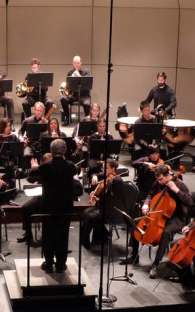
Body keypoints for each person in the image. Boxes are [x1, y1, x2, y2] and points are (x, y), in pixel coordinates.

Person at [137, 164, 193, 277]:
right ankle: (134, 254)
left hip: (177, 218)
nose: (159, 181)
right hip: (159, 214)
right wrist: (146, 204)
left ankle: (156, 263)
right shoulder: (158, 183)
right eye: (157, 179)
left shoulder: (180, 184)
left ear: (168, 175)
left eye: (161, 179)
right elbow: (150, 194)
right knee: (137, 224)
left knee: (166, 232)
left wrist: (176, 190)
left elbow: (190, 201)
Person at [30, 139, 77, 272]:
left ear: (51, 151)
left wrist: (34, 167)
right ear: (65, 151)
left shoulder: (45, 167)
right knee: (63, 234)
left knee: (48, 233)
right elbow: (76, 170)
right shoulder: (70, 166)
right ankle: (61, 264)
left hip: (49, 206)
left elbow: (32, 175)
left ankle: (49, 263)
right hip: (65, 207)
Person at [81, 159, 124, 249]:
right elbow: (95, 174)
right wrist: (94, 177)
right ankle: (92, 238)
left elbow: (114, 199)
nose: (103, 170)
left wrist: (98, 198)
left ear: (113, 169)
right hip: (104, 206)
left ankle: (96, 238)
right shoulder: (107, 176)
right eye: (103, 168)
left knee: (90, 216)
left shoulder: (117, 181)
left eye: (106, 168)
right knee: (85, 212)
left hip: (112, 210)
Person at [60, 56, 92, 126]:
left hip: (84, 95)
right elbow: (67, 87)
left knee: (87, 104)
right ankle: (67, 118)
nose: (76, 64)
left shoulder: (86, 72)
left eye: (78, 63)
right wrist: (71, 78)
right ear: (72, 63)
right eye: (75, 63)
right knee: (63, 99)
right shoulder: (70, 73)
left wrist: (80, 76)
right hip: (74, 95)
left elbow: (87, 85)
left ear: (81, 63)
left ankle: (86, 120)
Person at [72, 103, 101, 179]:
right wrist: (76, 138)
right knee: (85, 150)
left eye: (97, 110)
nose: (95, 112)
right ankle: (82, 170)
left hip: (97, 142)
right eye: (94, 110)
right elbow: (76, 130)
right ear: (91, 110)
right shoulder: (85, 119)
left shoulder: (100, 121)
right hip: (86, 142)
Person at [19, 102, 48, 167]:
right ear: (34, 110)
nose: (39, 112)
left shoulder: (46, 122)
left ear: (43, 111)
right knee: (26, 154)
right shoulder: (27, 120)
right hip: (30, 143)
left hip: (42, 144)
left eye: (40, 111)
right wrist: (21, 137)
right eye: (37, 110)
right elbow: (21, 130)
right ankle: (28, 171)